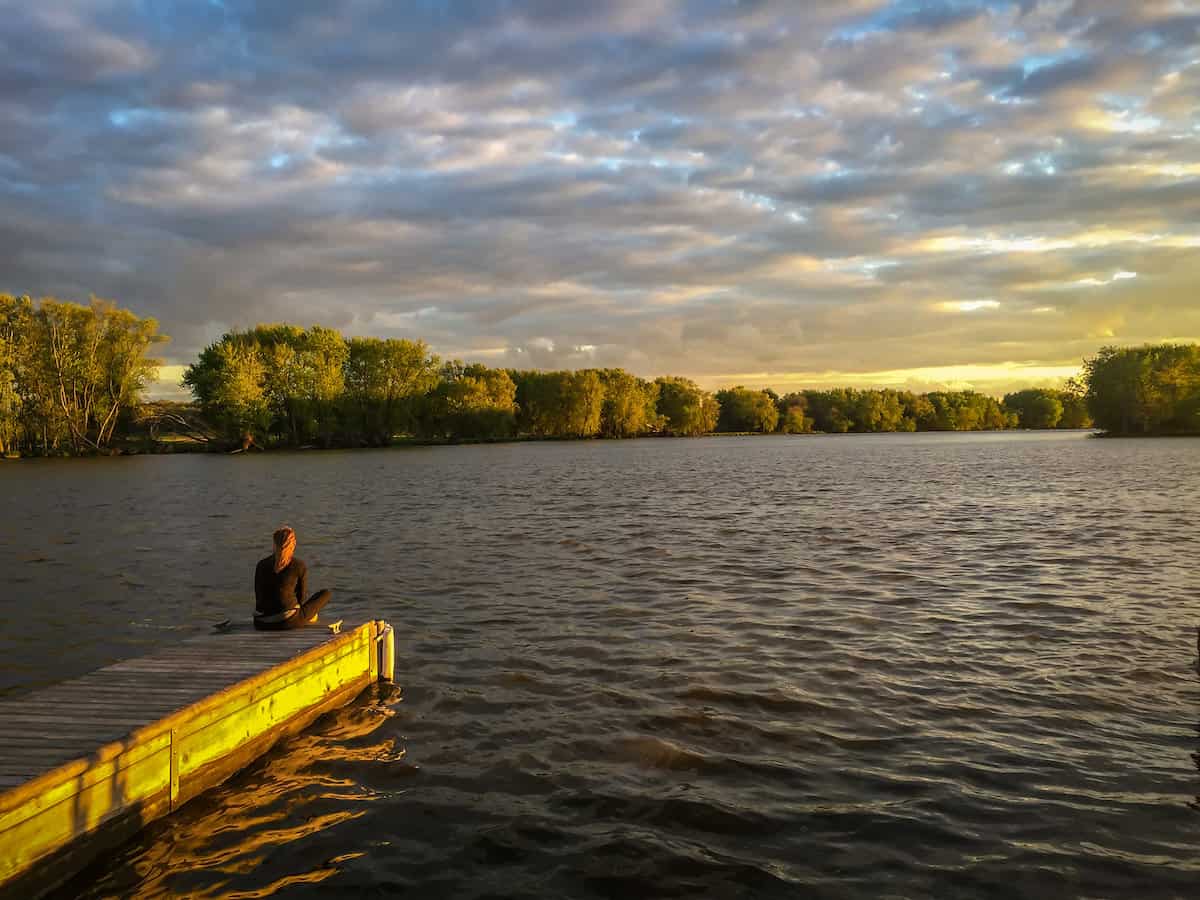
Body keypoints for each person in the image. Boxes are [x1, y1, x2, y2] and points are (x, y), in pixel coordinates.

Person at [254, 526, 331, 630]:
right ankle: (309, 616)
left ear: (274, 544)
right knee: (326, 594)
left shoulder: (261, 565)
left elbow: (258, 596)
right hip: (287, 621)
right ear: (293, 544)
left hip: (261, 623)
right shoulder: (298, 565)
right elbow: (301, 599)